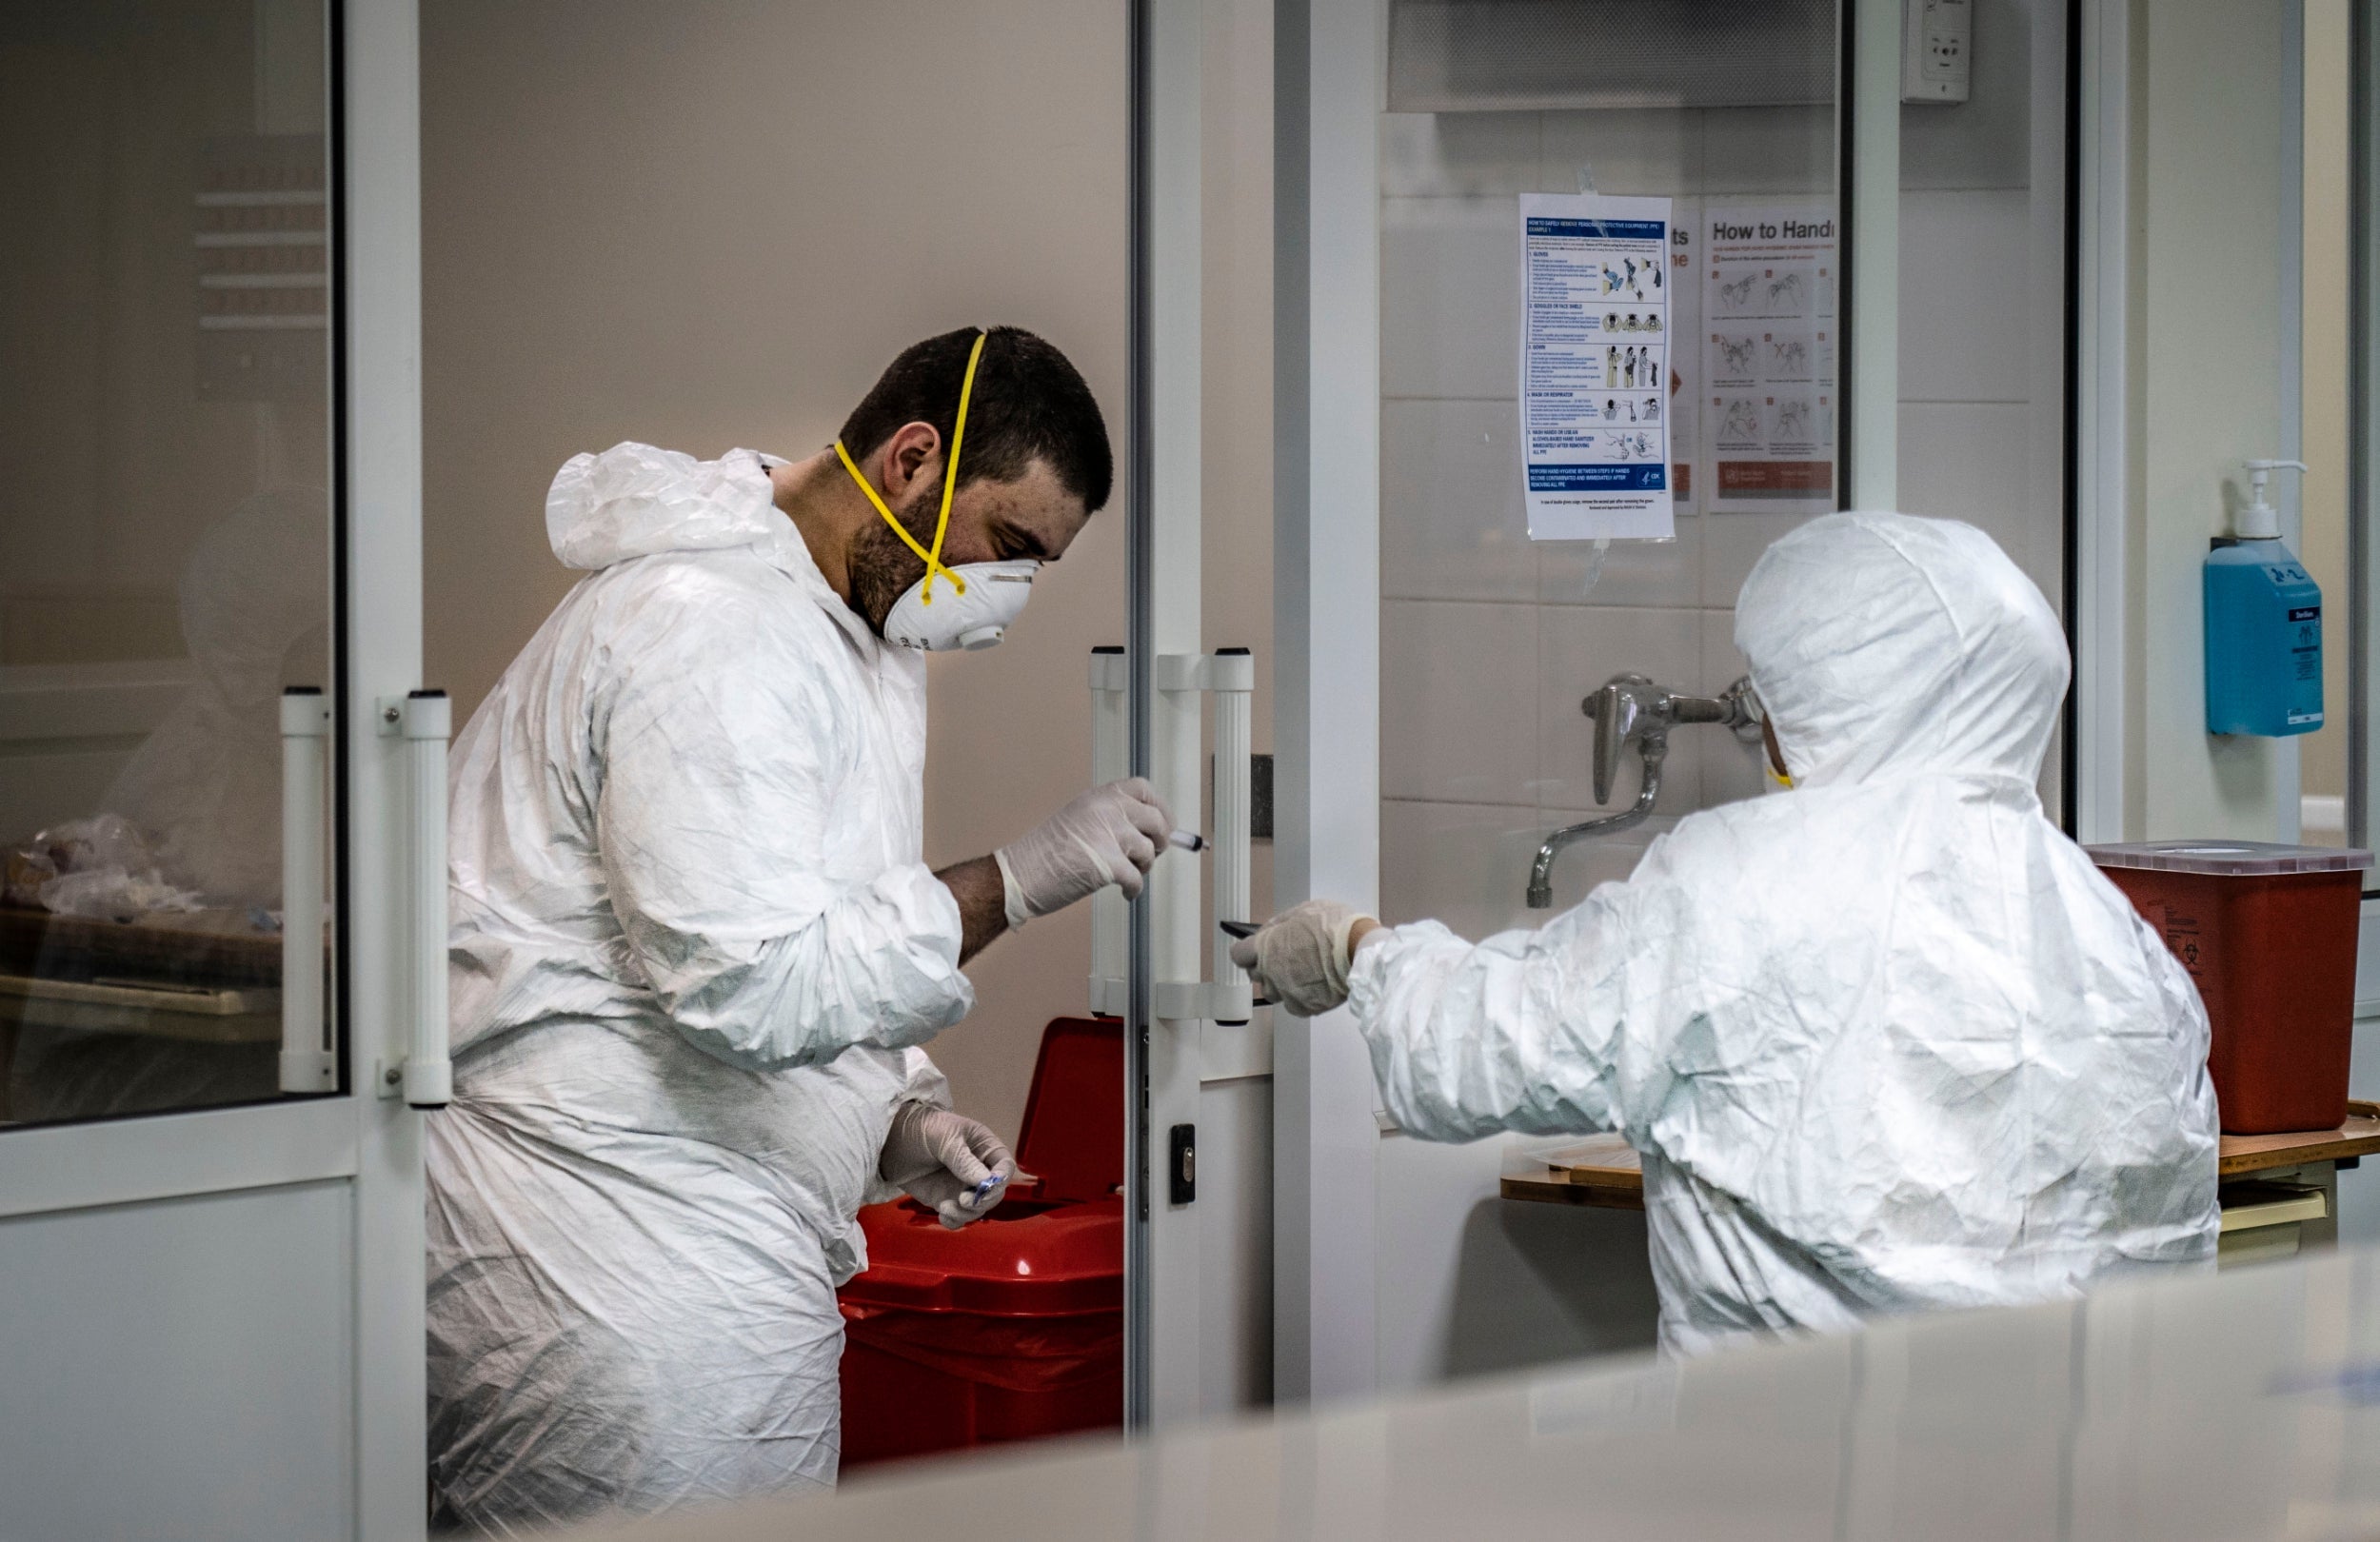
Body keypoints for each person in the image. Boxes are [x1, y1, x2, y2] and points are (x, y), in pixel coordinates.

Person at [426, 326, 1172, 1530]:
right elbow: (748, 984)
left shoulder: (849, 635)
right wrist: (1019, 878)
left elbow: (813, 912)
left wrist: (894, 1113)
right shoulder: (710, 630)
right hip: (604, 1258)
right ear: (915, 458)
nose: (1006, 595)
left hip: (685, 1230)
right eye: (1010, 546)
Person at [1234, 511, 2220, 1354]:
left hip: (1794, 1482)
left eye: (1771, 699)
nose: (1762, 734)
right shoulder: (2114, 936)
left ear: (1842, 696)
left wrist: (1354, 949)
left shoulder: (1739, 886)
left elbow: (1489, 1048)